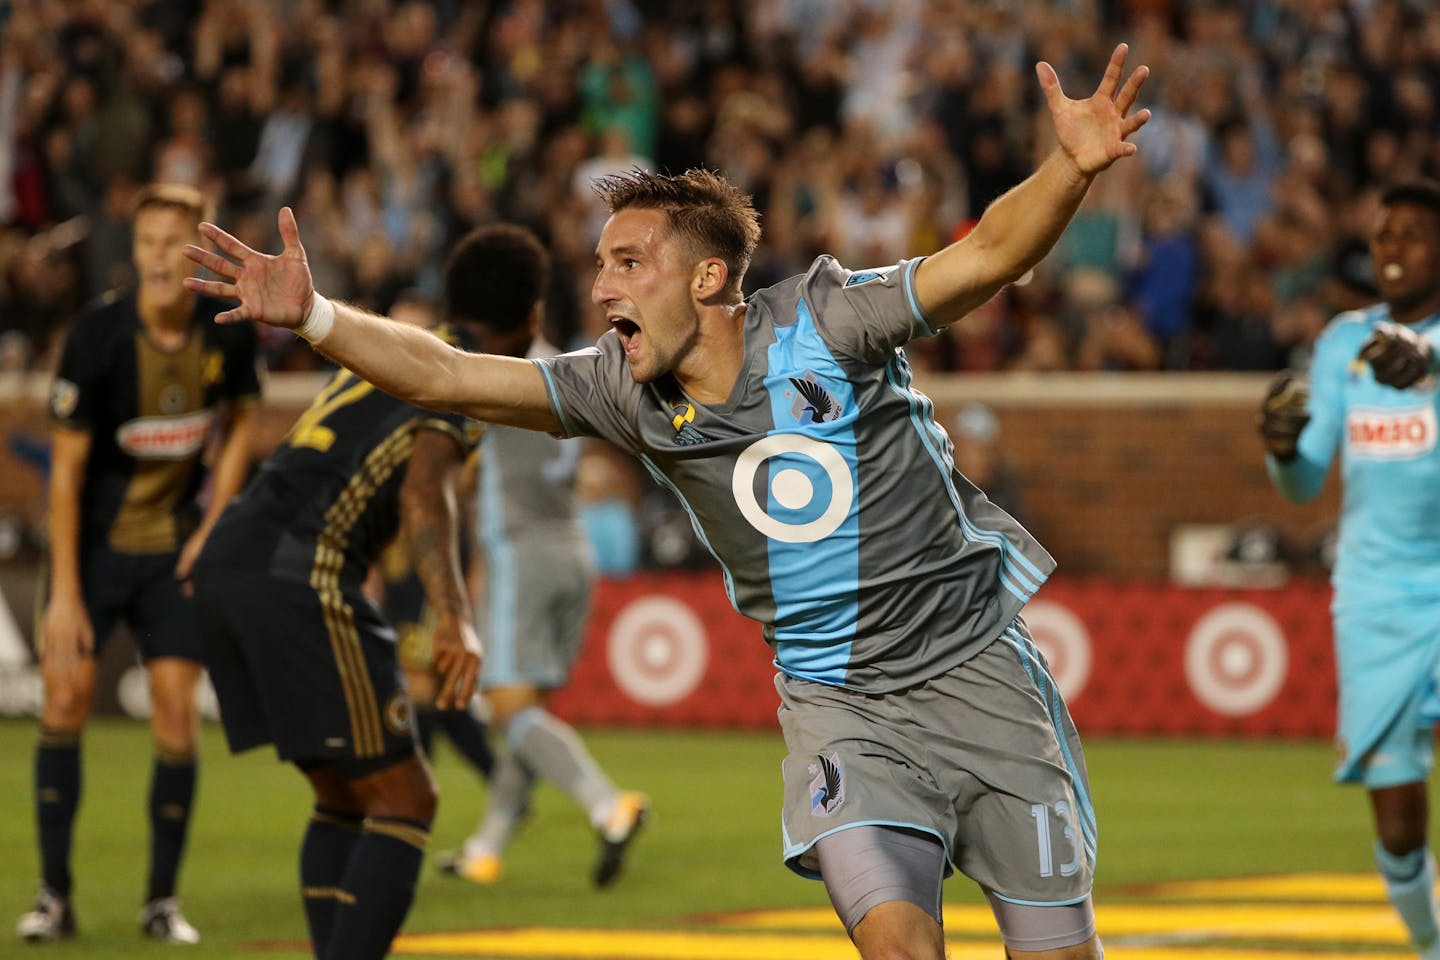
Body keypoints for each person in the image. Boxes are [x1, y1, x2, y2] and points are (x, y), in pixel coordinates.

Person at [182, 44, 1151, 960]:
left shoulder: (831, 319)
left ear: (709, 276)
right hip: (840, 705)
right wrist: (314, 316)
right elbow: (447, 376)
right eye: (600, 263)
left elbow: (985, 257)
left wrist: (1069, 170)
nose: (601, 285)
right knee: (897, 943)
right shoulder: (620, 386)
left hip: (979, 673)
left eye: (628, 263)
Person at [184, 238, 498, 960]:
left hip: (234, 560)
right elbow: (424, 490)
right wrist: (457, 617)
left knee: (342, 796)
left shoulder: (366, 363)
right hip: (300, 572)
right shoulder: (461, 372)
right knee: (407, 800)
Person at [18, 184, 260, 945]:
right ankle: (54, 897)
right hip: (92, 555)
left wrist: (212, 527)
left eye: (175, 241)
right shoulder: (96, 337)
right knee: (64, 703)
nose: (160, 257)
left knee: (178, 716)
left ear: (199, 251)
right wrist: (63, 594)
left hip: (171, 558)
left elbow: (244, 422)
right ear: (135, 251)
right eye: (149, 241)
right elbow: (63, 474)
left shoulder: (228, 329)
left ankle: (161, 902)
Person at [426, 224, 649, 889]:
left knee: (510, 713)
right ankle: (486, 848)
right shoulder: (567, 367)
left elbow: (460, 472)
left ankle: (609, 806)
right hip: (572, 552)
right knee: (526, 718)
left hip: (521, 556)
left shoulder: (491, 381)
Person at [1259, 178, 1440, 960]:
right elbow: (1304, 485)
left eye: (1410, 234)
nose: (1391, 248)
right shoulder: (1345, 342)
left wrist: (1429, 373)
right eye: (1382, 233)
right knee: (1399, 822)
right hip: (1374, 596)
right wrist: (1279, 449)